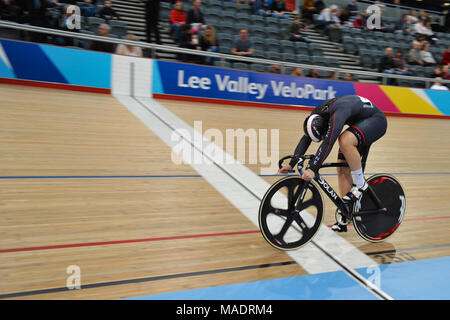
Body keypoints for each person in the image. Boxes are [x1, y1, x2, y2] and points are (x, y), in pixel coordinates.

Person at [278, 95, 387, 232]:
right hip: (360, 123)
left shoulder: (338, 113)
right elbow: (306, 138)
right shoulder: (317, 114)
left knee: (345, 140)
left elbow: (329, 141)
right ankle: (345, 215)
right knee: (342, 168)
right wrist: (291, 163)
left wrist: (312, 168)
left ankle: (360, 184)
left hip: (376, 121)